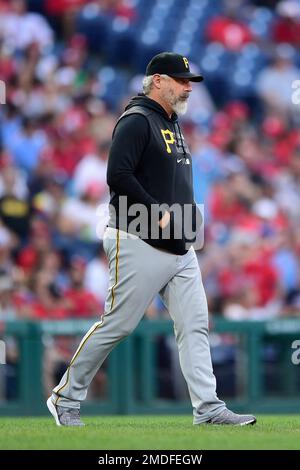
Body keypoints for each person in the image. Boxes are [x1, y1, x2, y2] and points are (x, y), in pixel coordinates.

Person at [47, 52, 257, 426]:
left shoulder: (171, 121)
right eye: (181, 79)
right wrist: (157, 209)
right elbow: (118, 175)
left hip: (179, 245)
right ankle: (65, 397)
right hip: (137, 237)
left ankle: (207, 407)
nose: (188, 86)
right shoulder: (137, 119)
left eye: (189, 80)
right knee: (118, 323)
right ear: (157, 80)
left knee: (195, 323)